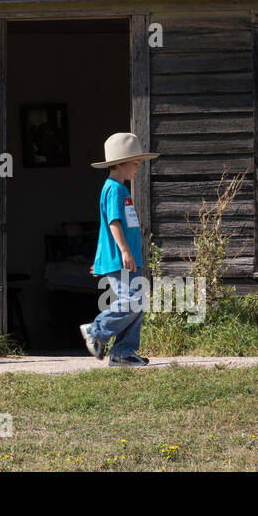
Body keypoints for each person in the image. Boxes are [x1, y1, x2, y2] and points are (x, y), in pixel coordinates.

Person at [80, 132, 159, 367]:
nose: (139, 168)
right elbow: (113, 222)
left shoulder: (121, 189)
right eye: (136, 163)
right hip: (121, 258)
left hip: (126, 258)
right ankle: (96, 330)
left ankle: (123, 353)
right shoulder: (114, 189)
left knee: (138, 303)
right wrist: (124, 251)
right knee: (132, 301)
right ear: (121, 163)